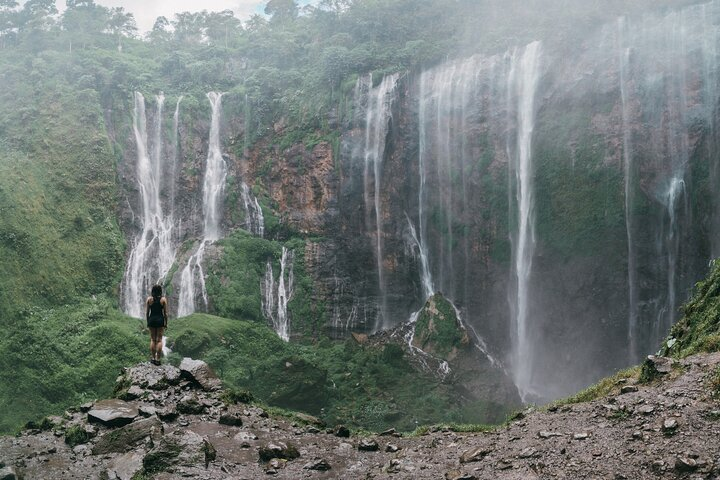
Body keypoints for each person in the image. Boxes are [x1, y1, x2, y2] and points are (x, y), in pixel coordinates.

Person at [146, 284, 168, 365]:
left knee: (152, 339)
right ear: (160, 291)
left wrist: (148, 322)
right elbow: (165, 313)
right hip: (160, 320)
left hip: (152, 320)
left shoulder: (149, 299)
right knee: (159, 340)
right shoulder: (163, 300)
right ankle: (158, 359)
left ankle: (152, 358)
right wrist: (166, 323)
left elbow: (147, 312)